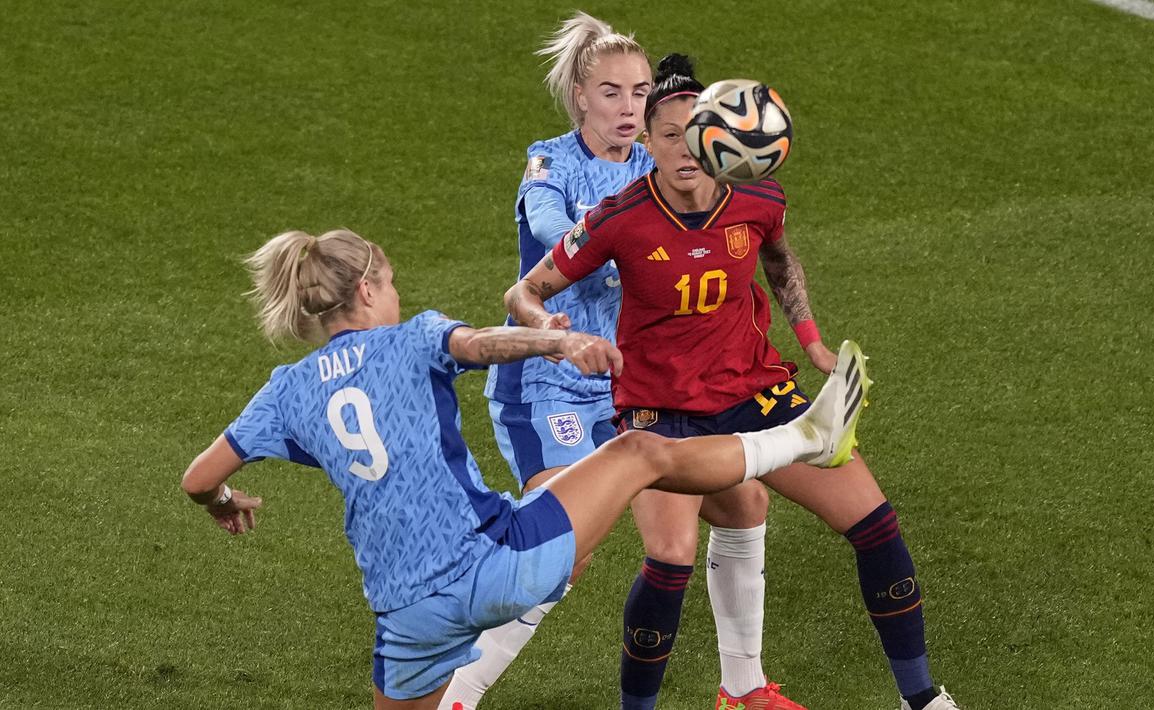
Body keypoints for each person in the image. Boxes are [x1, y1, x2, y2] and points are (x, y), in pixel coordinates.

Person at [180, 229, 871, 710]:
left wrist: (224, 499)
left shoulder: (286, 390)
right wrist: (559, 340)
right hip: (498, 565)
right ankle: (805, 435)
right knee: (636, 453)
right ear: (365, 289)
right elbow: (483, 343)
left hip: (406, 617)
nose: (394, 293)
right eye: (388, 283)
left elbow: (197, 478)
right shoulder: (410, 337)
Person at [504, 56, 962, 710]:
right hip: (659, 413)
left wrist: (810, 342)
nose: (683, 148)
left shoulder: (758, 197)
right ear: (649, 144)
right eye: (666, 135)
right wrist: (548, 329)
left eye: (694, 133)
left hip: (754, 394)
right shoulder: (617, 217)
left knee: (875, 524)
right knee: (669, 561)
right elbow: (524, 288)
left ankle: (921, 700)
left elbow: (779, 260)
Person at [443, 12, 656, 710]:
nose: (629, 108)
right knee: (563, 545)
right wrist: (623, 238)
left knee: (729, 506)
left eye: (641, 92)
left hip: (628, 381)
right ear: (580, 98)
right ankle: (455, 689)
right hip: (547, 384)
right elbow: (548, 229)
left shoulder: (657, 163)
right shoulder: (550, 162)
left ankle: (741, 683)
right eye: (612, 92)